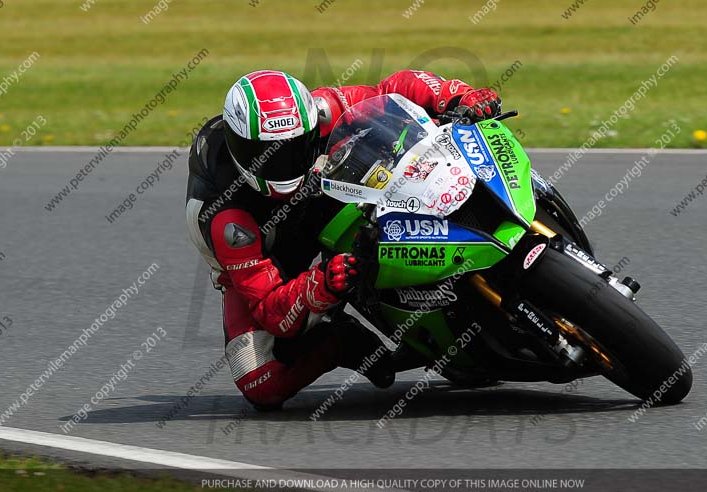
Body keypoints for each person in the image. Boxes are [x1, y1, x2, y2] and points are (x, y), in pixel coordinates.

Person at [184, 69, 500, 409]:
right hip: (269, 253)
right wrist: (321, 283)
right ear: (238, 148)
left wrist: (457, 96)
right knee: (260, 380)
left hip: (324, 194)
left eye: (292, 149)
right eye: (267, 155)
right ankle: (343, 340)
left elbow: (390, 89)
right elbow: (270, 309)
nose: (281, 164)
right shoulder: (227, 219)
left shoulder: (318, 111)